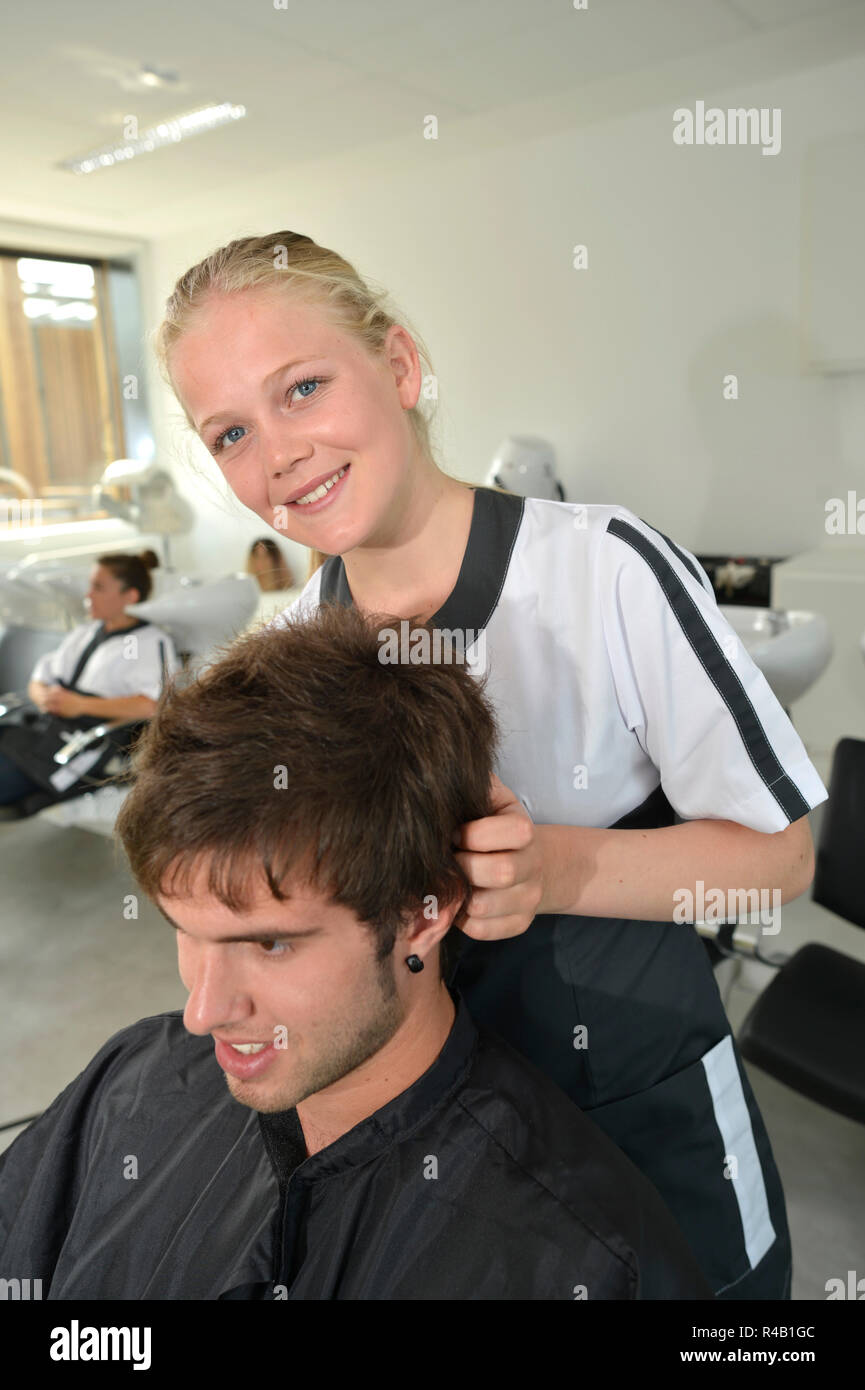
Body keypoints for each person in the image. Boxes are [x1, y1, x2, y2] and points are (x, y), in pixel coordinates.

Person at [156, 230, 827, 1300]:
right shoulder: (292, 646)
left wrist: (552, 870)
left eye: (304, 387)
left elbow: (781, 858)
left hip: (635, 1090)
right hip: (436, 1121)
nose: (277, 453)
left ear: (402, 366)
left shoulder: (599, 567)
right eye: (230, 431)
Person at [0, 605, 712, 1300]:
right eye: (185, 932)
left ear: (424, 911)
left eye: (271, 943)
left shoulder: (582, 1257)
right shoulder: (133, 1080)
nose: (202, 1011)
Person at [0, 550, 180, 810]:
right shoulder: (85, 632)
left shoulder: (141, 642)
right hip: (40, 731)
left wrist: (80, 705)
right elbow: (40, 677)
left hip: (77, 748)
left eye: (98, 587)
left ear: (129, 596)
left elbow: (151, 704)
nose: (88, 595)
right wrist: (44, 698)